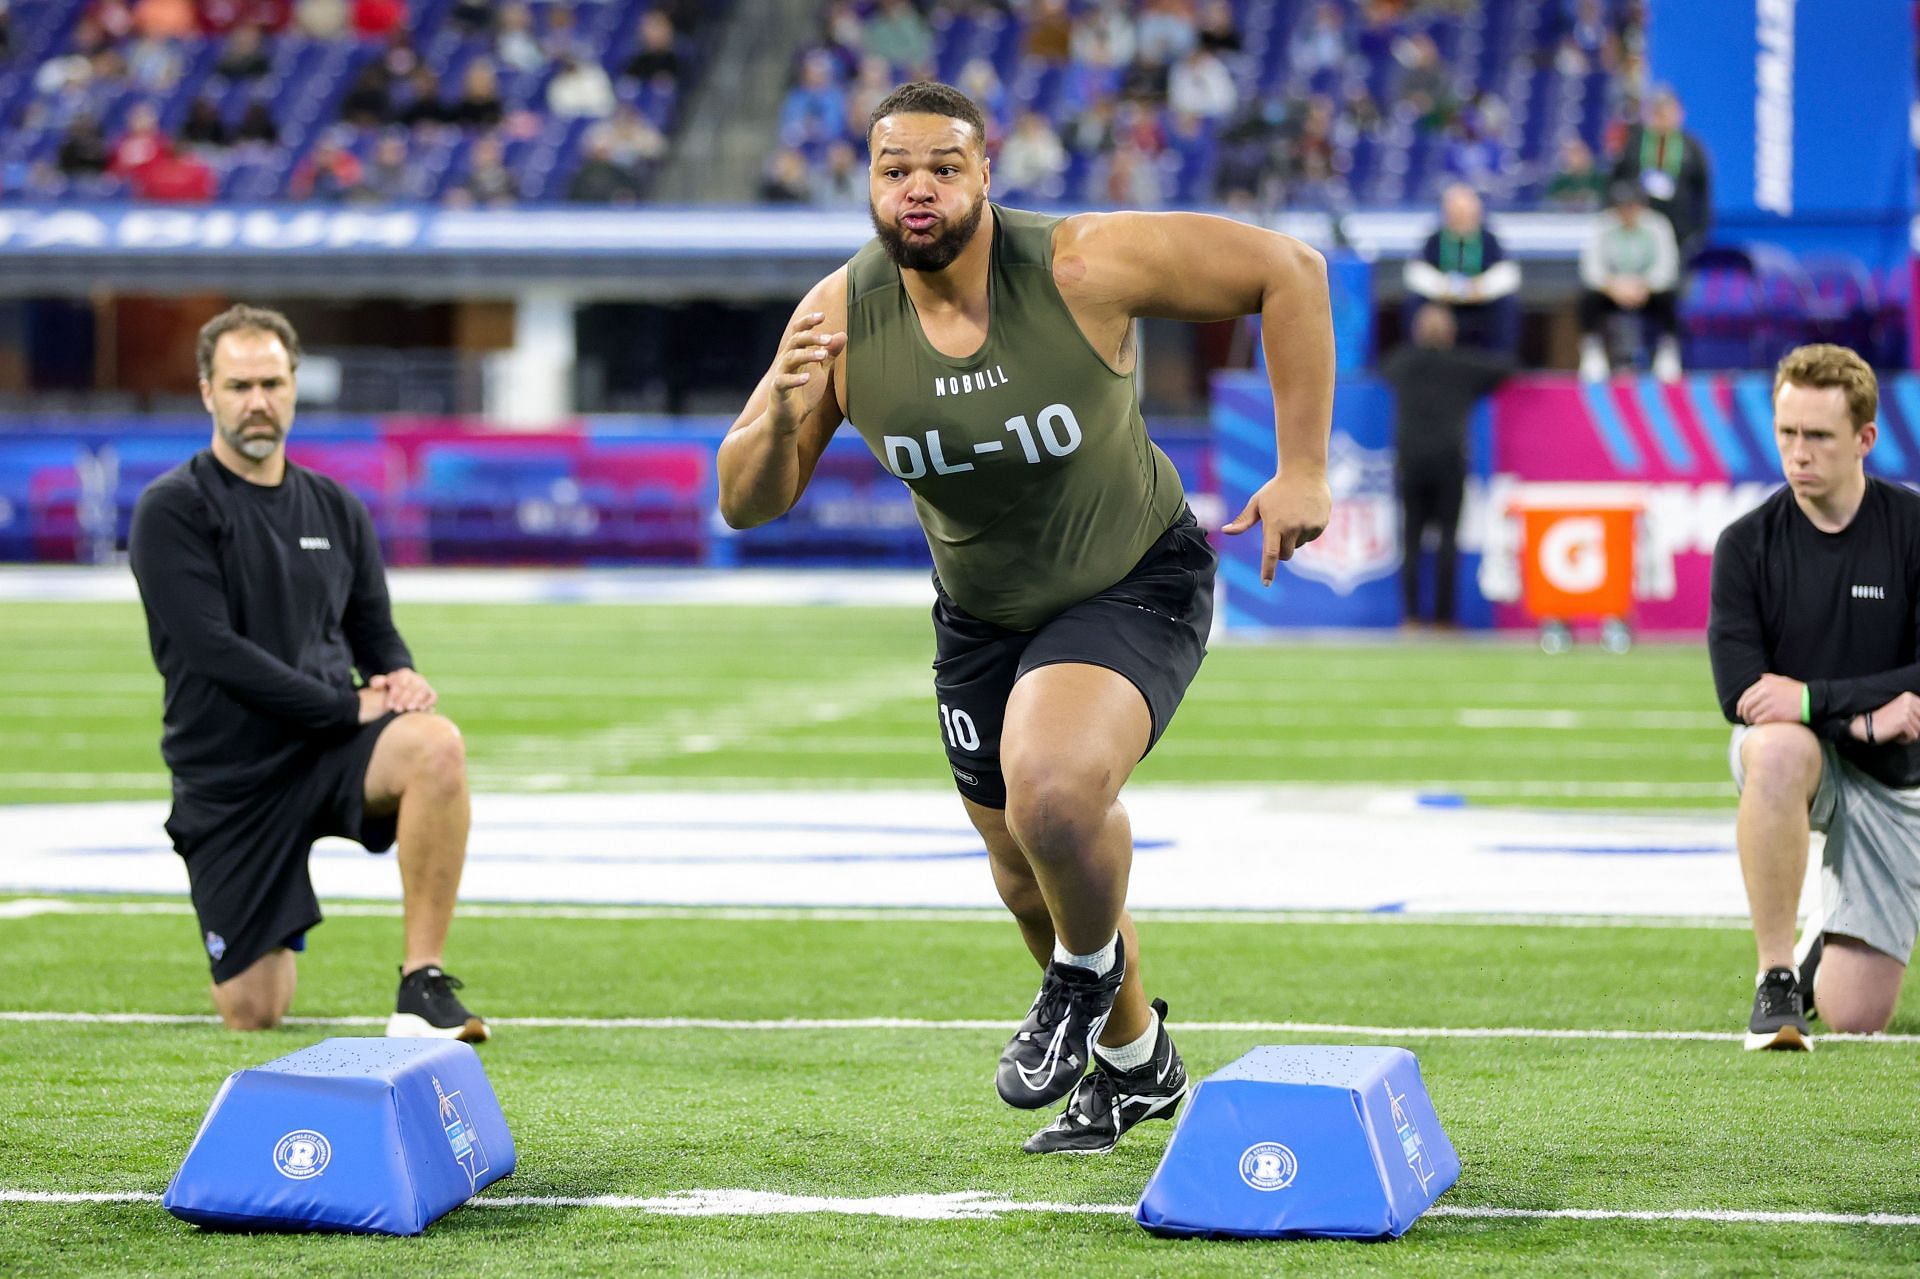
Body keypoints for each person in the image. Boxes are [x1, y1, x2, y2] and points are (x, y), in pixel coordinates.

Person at [718, 81, 1331, 1154]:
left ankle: (1084, 975)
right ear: (867, 182)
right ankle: (1140, 1065)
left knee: (1052, 793)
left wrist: (1305, 468)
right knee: (1024, 865)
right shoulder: (836, 319)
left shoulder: (1080, 264)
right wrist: (777, 409)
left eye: (943, 168)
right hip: (980, 619)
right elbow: (747, 500)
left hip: (1132, 576)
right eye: (895, 168)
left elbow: (1291, 271)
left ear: (986, 175)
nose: (918, 190)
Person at [128, 306, 488, 1041]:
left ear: (295, 386)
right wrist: (343, 704)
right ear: (207, 392)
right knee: (254, 1010)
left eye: (271, 382)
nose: (257, 401)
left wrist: (401, 679)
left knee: (436, 745)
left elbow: (374, 633)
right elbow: (214, 652)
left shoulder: (335, 505)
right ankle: (274, 904)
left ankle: (421, 983)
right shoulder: (173, 510)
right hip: (232, 778)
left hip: (329, 754)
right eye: (238, 386)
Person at [1707, 344, 1920, 1052]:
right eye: (1787, 432)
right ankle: (1777, 979)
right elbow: (1739, 692)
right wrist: (1855, 713)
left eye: (1819, 436)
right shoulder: (1746, 544)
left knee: (1858, 1014)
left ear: (1865, 438)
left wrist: (1808, 696)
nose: (1798, 453)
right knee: (1771, 747)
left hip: (1901, 780)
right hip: (1814, 759)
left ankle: (1827, 941)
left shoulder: (1911, 529)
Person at [1380, 304, 1512, 629]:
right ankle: (1443, 619)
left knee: (1410, 541)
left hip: (1410, 462)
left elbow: (1381, 367)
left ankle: (1410, 617)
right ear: (1451, 334)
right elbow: (1508, 367)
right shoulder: (1463, 365)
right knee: (1448, 542)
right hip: (1448, 462)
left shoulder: (1402, 364)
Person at [1576, 181, 1682, 382]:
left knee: (1669, 298)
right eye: (1622, 206)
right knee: (1587, 298)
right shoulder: (1602, 225)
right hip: (1612, 290)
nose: (1627, 212)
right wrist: (1613, 286)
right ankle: (1593, 352)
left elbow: (1667, 268)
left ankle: (1667, 353)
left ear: (1642, 206)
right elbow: (1591, 269)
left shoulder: (1658, 225)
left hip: (1647, 290)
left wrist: (1643, 286)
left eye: (1632, 206)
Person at [1403, 183, 1520, 352]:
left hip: (1481, 302)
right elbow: (1416, 271)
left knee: (1507, 304)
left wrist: (1482, 287)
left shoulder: (1489, 240)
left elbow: (1507, 273)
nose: (1461, 217)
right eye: (1456, 212)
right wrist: (1441, 287)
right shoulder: (1435, 240)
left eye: (1465, 212)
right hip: (1442, 302)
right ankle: (1420, 359)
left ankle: (1501, 361)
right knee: (1414, 302)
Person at [1610, 86, 1711, 265]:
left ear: (1678, 113)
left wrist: (1699, 231)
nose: (1662, 117)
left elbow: (1702, 191)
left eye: (1666, 111)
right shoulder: (1635, 142)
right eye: (1657, 111)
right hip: (1639, 229)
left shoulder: (1691, 147)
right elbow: (1617, 180)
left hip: (1679, 229)